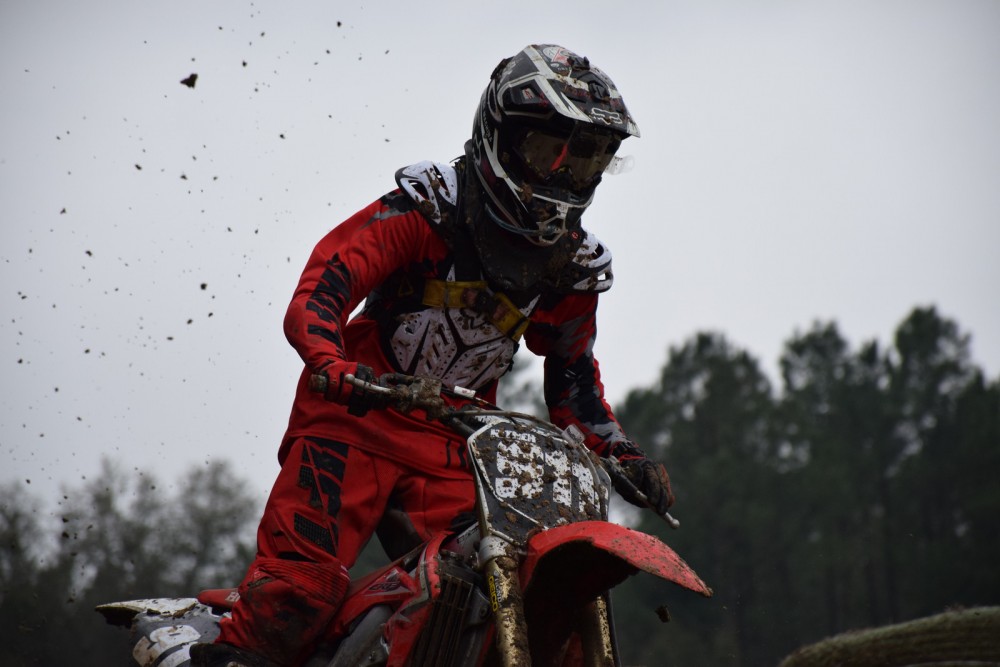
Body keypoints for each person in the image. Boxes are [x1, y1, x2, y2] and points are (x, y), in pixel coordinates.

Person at [191, 43, 674, 667]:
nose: (560, 175)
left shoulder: (571, 267)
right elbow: (325, 284)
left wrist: (623, 456)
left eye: (583, 159)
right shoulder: (432, 208)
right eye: (545, 151)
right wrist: (329, 361)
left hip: (457, 444)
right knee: (295, 597)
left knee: (513, 591)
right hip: (355, 415)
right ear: (501, 137)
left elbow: (574, 389)